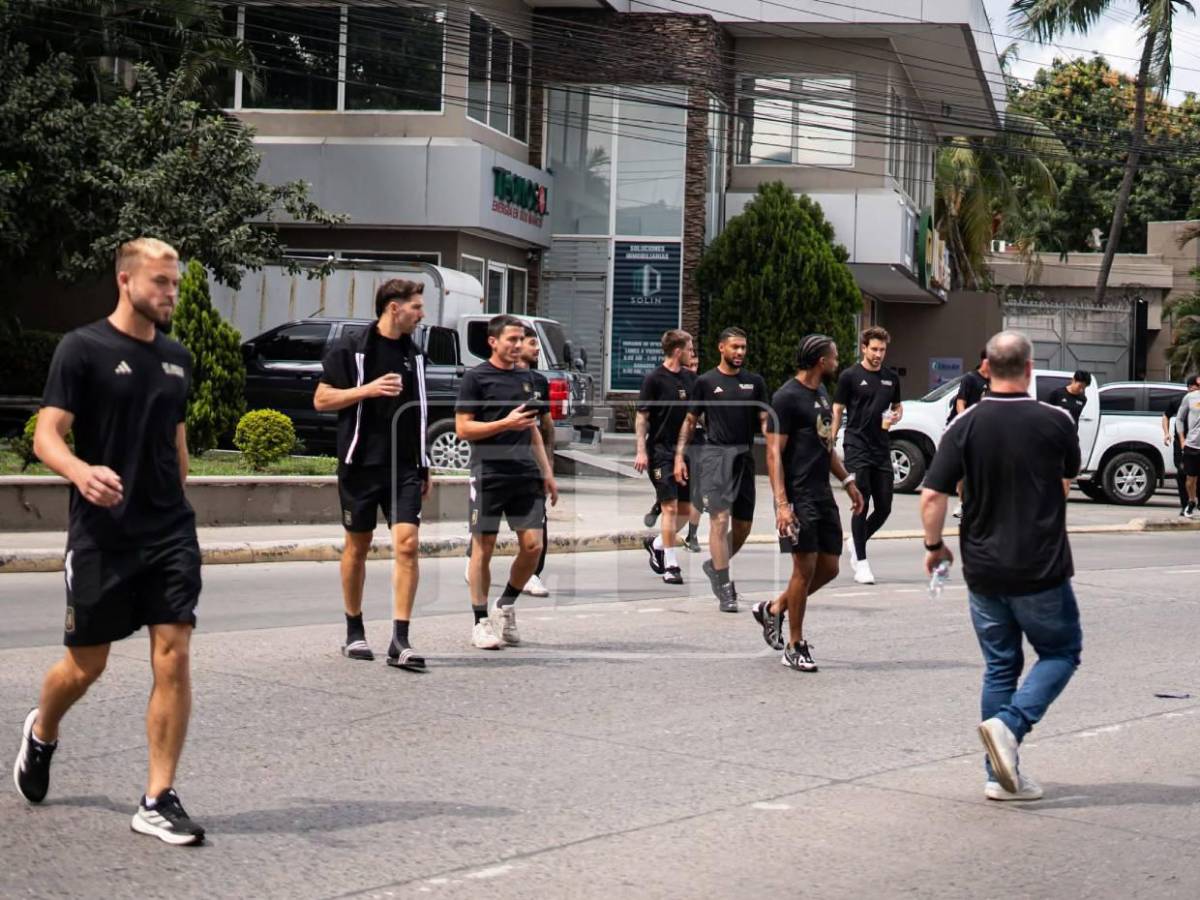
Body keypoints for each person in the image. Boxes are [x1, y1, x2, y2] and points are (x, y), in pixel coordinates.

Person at [12, 238, 205, 844]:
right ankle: (42, 730)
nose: (171, 293)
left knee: (173, 651)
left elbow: (176, 442)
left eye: (175, 284)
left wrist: (178, 500)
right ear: (125, 281)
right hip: (103, 533)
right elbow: (47, 434)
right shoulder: (82, 348)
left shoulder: (177, 358)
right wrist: (79, 471)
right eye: (160, 282)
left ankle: (157, 797)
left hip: (169, 531)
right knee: (85, 665)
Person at [920, 330, 1082, 802]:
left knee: (999, 667)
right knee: (1061, 652)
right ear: (1030, 370)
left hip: (984, 570)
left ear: (986, 368)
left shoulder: (964, 425)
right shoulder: (1056, 420)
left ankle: (997, 777)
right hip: (1040, 568)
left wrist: (934, 546)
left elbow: (932, 496)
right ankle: (1010, 725)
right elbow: (1068, 475)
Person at [314, 279, 430, 670]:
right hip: (360, 465)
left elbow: (421, 411)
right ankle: (354, 630)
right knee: (357, 546)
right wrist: (367, 389)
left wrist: (424, 463)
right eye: (416, 306)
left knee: (408, 545)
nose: (422, 314)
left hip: (404, 467)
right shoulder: (351, 348)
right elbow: (321, 399)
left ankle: (401, 640)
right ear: (394, 307)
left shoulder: (414, 354)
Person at [753, 335, 863, 671]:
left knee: (830, 568)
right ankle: (794, 645)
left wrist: (847, 482)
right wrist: (782, 504)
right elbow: (773, 454)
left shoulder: (822, 393)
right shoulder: (786, 397)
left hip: (822, 493)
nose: (838, 360)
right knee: (803, 570)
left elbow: (825, 446)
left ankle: (774, 608)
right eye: (835, 356)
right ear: (820, 361)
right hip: (797, 496)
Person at [456, 315, 559, 649]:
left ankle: (505, 605)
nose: (517, 345)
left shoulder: (530, 379)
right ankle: (480, 622)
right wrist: (504, 423)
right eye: (511, 339)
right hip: (489, 473)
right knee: (483, 549)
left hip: (526, 475)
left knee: (533, 547)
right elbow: (463, 429)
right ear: (493, 342)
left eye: (520, 340)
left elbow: (532, 430)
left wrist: (547, 472)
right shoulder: (476, 378)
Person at [675, 327, 768, 612]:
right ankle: (725, 587)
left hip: (744, 459)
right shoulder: (705, 382)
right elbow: (690, 421)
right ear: (721, 348)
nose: (739, 352)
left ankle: (714, 565)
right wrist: (679, 457)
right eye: (734, 347)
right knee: (720, 520)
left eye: (743, 347)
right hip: (716, 458)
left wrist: (778, 446)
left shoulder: (755, 382)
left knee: (743, 528)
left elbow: (765, 420)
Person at [833, 326, 903, 585]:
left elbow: (897, 407)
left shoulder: (891, 378)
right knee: (861, 501)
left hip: (881, 447)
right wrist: (830, 438)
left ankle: (856, 540)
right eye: (874, 349)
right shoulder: (850, 376)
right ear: (864, 348)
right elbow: (837, 409)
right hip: (856, 445)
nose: (878, 354)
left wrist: (896, 416)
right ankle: (861, 563)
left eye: (882, 349)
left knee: (884, 507)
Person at [634, 330, 696, 585]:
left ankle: (657, 544)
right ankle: (671, 565)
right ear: (678, 351)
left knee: (686, 510)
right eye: (690, 349)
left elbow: (696, 415)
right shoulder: (654, 379)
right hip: (660, 451)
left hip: (685, 451)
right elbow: (642, 417)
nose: (692, 353)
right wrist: (641, 450)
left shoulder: (691, 379)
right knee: (669, 506)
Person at [518, 325, 554, 597]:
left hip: (532, 462)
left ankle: (533, 574)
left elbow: (546, 425)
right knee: (486, 525)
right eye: (532, 342)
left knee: (538, 521)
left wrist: (548, 466)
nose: (537, 348)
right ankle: (474, 559)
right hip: (497, 463)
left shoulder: (540, 381)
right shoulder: (488, 377)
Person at [949, 351, 989, 518]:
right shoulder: (970, 378)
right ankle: (962, 502)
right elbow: (960, 403)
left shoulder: (995, 381)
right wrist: (966, 423)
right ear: (985, 361)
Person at [1162, 374, 1200, 516]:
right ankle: (1186, 505)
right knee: (1184, 474)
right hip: (1184, 444)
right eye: (1197, 387)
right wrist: (1167, 433)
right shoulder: (1181, 400)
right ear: (1190, 387)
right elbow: (1166, 416)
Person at [1175, 373, 1200, 519]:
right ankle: (1191, 501)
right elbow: (1179, 418)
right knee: (1190, 479)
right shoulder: (1190, 397)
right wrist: (1182, 439)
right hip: (1192, 445)